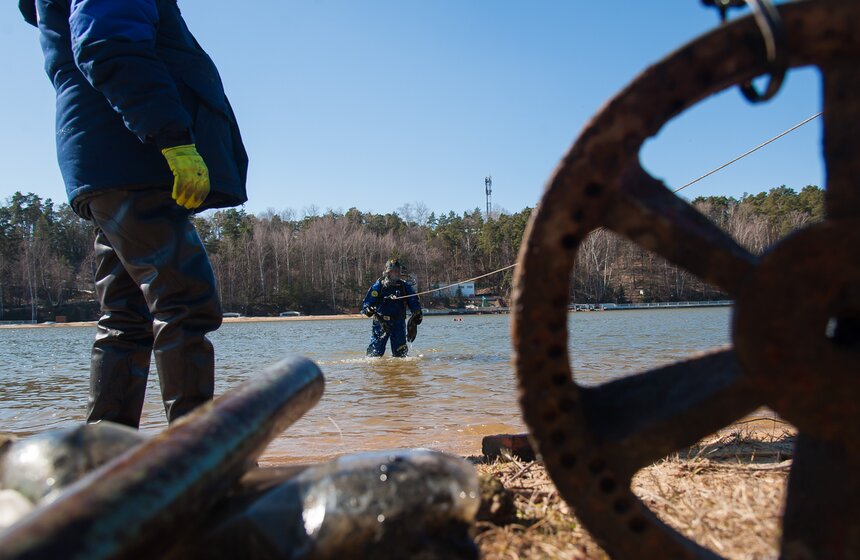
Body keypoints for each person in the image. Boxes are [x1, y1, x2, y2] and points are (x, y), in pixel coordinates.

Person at [20, 0, 248, 428]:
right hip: (133, 155)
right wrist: (172, 138)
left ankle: (104, 453)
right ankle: (195, 454)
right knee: (184, 303)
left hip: (106, 162)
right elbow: (108, 43)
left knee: (126, 316)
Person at [361, 259, 423, 357]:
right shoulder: (379, 285)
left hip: (398, 323)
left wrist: (417, 312)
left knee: (401, 354)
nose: (395, 274)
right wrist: (368, 309)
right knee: (375, 354)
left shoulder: (404, 286)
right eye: (392, 271)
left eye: (397, 271)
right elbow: (367, 303)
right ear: (387, 272)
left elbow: (413, 301)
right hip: (381, 323)